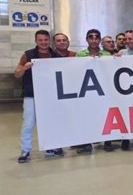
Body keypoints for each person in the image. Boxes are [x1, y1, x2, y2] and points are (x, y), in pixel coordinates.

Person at [15, 30, 64, 163]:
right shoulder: (28, 54)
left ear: (49, 41)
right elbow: (17, 74)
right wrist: (25, 68)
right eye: (40, 40)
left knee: (50, 122)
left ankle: (50, 147)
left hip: (50, 95)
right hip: (31, 95)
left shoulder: (56, 56)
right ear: (36, 41)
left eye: (45, 40)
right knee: (28, 123)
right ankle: (25, 150)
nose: (43, 42)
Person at [75, 29, 112, 153]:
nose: (94, 40)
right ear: (87, 39)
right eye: (91, 37)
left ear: (100, 40)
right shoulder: (80, 55)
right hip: (87, 91)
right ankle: (87, 143)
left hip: (104, 91)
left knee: (105, 115)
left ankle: (108, 141)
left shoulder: (107, 55)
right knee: (87, 116)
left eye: (96, 37)